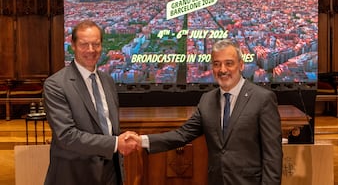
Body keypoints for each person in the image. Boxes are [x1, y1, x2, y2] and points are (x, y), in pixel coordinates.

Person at [134, 39, 283, 185]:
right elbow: (182, 135)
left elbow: (273, 156)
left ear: (241, 65)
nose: (222, 70)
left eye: (229, 63)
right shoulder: (207, 100)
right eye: (217, 64)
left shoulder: (262, 99)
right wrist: (141, 141)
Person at [43, 20, 139, 185]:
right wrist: (116, 143)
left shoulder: (107, 80)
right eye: (84, 44)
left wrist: (121, 139)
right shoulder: (56, 84)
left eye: (96, 44)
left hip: (111, 172)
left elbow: (108, 126)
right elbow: (66, 136)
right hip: (75, 175)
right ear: (72, 45)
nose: (91, 50)